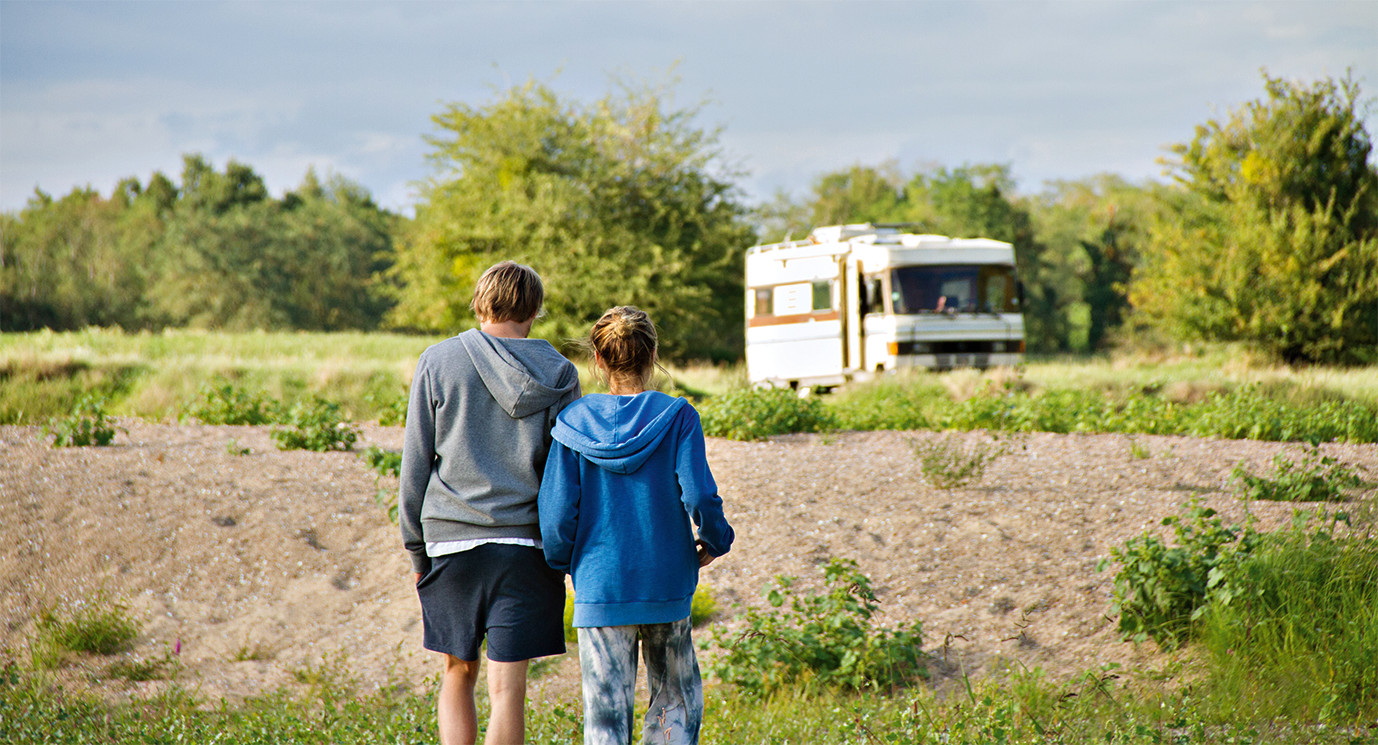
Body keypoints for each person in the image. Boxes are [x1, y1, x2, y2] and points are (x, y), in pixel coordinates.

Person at [399, 261, 581, 745]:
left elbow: (416, 462)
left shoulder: (438, 361)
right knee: (509, 689)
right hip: (525, 548)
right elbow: (563, 476)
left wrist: (416, 551)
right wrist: (561, 553)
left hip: (451, 543)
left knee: (457, 672)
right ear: (536, 310)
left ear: (480, 303)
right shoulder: (561, 374)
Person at [538, 306, 734, 745]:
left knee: (605, 718)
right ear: (652, 355)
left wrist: (565, 562)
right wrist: (715, 539)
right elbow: (700, 495)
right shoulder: (678, 416)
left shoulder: (572, 422)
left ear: (599, 358)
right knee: (675, 707)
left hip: (600, 583)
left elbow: (555, 514)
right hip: (666, 579)